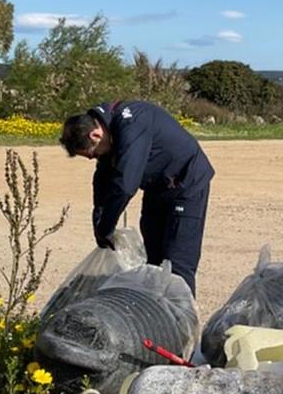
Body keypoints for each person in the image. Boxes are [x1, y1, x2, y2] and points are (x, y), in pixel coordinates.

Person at [60, 100, 214, 296]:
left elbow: (125, 184)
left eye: (93, 154)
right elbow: (103, 178)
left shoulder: (132, 124)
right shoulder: (109, 130)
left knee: (177, 265)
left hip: (187, 184)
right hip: (158, 187)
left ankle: (182, 322)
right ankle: (154, 318)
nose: (95, 158)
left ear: (96, 135)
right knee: (154, 262)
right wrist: (98, 222)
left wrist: (107, 226)